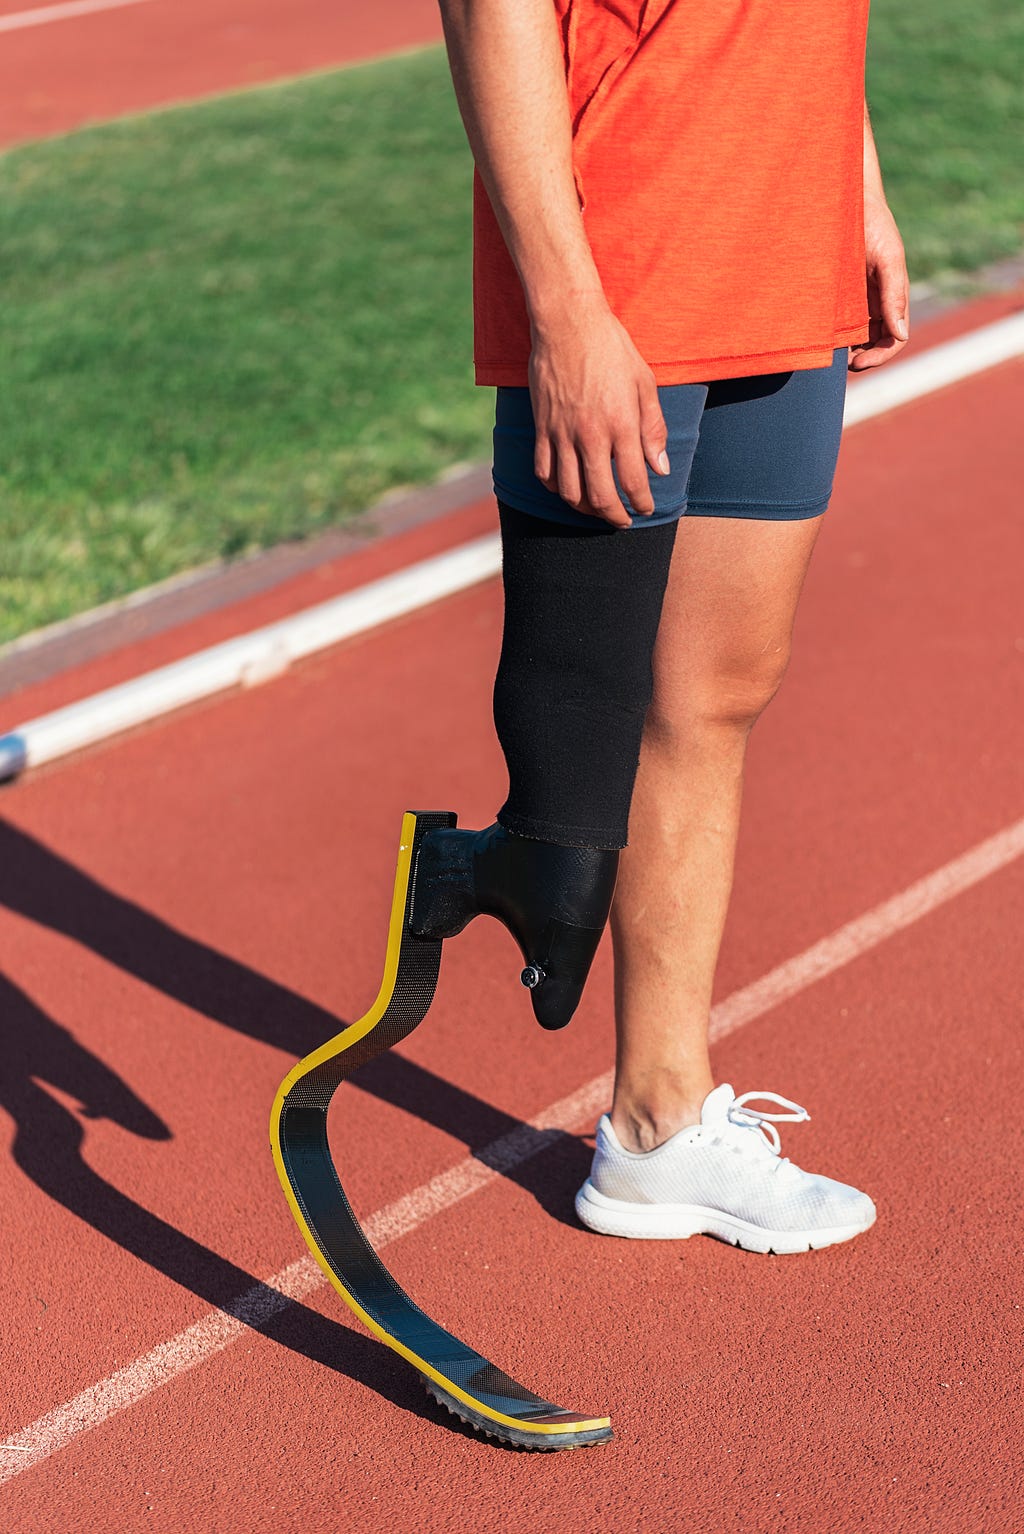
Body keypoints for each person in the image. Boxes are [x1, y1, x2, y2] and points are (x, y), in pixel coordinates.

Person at [424, 0, 909, 1253]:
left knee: (719, 693)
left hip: (784, 222)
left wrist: (850, 176)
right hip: (625, 248)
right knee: (581, 753)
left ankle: (657, 1126)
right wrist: (563, 310)